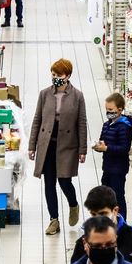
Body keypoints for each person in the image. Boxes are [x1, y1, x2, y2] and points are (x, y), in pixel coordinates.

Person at [29, 58, 87, 236]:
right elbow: (37, 120)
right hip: (47, 145)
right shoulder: (44, 94)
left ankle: (73, 204)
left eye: (59, 75)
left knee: (64, 181)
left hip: (67, 146)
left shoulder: (77, 96)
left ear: (67, 75)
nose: (55, 78)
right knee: (49, 184)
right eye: (53, 74)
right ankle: (54, 220)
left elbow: (81, 123)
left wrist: (82, 149)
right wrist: (32, 146)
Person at [68, 185, 132, 264]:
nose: (99, 219)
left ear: (115, 211)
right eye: (94, 214)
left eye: (103, 213)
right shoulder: (83, 244)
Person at [94, 93, 132, 215]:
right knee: (106, 196)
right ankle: (110, 219)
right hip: (107, 166)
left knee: (118, 197)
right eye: (107, 109)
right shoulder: (107, 124)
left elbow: (124, 148)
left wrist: (106, 148)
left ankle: (122, 223)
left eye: (111, 109)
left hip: (118, 168)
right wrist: (98, 146)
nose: (108, 112)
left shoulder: (124, 127)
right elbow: (103, 140)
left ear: (120, 109)